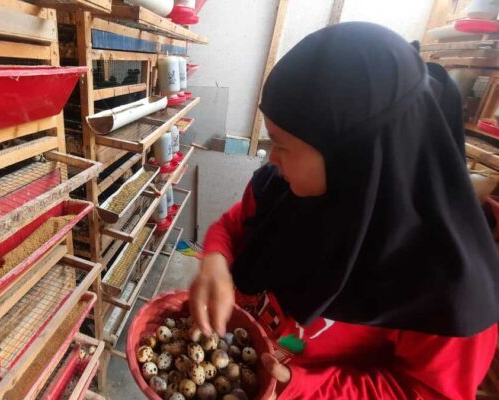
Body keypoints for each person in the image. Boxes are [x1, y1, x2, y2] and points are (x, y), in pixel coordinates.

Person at [189, 22, 499, 399]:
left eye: (282, 145)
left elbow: (422, 392)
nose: (271, 158)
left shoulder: (449, 291)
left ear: (353, 157)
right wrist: (216, 261)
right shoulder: (282, 192)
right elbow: (233, 225)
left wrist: (302, 388)